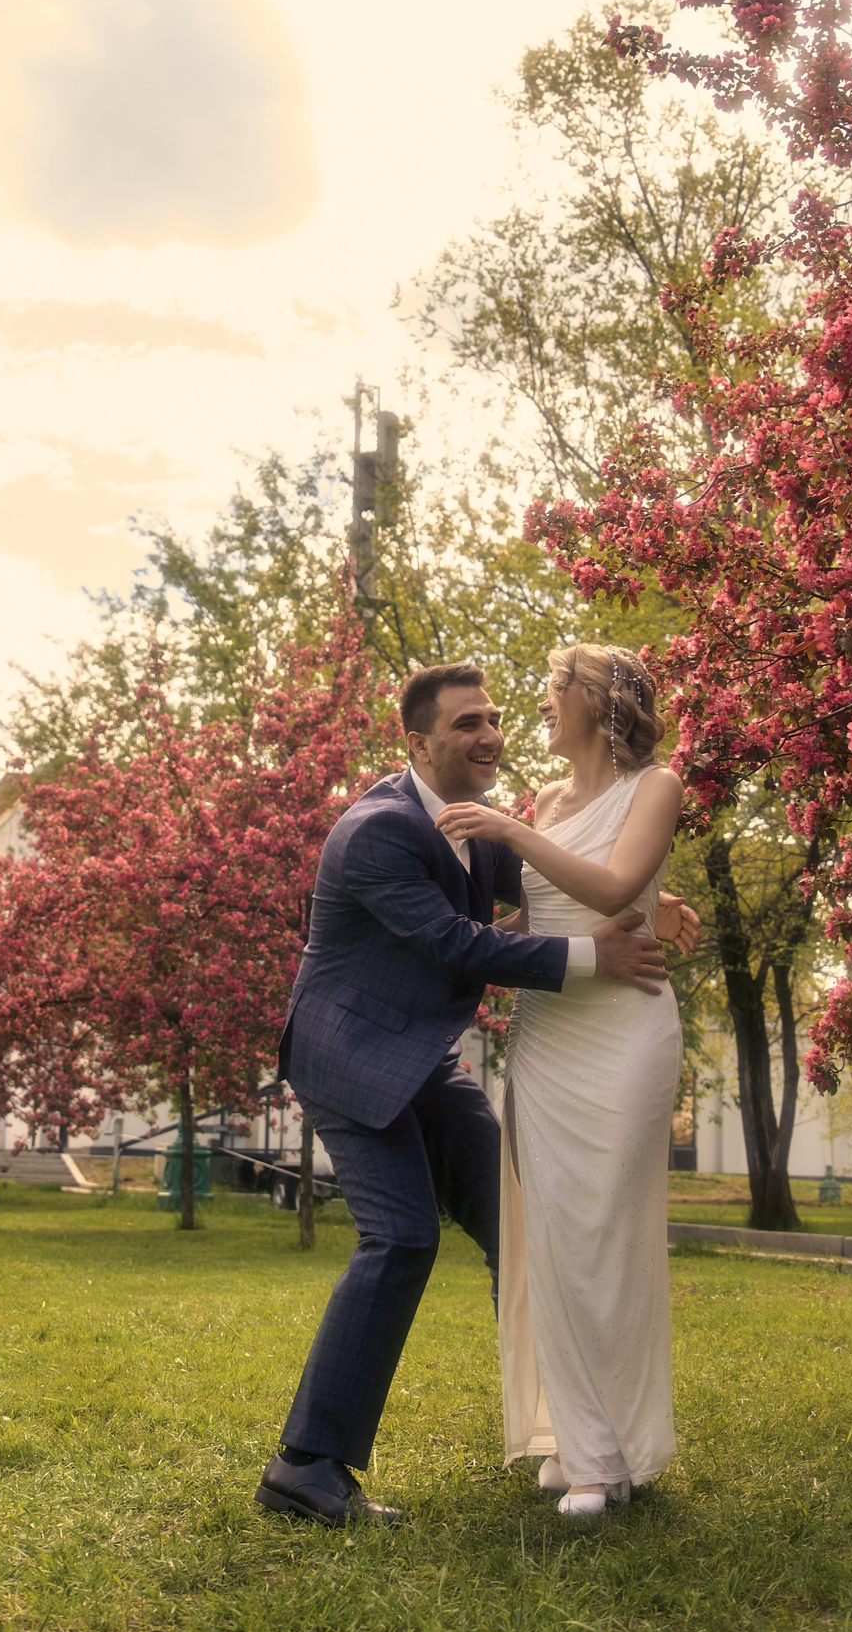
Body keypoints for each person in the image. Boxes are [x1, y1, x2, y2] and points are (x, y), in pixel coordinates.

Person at [255, 662, 671, 1528]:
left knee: (518, 1223)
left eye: (492, 717)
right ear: (418, 743)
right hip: (349, 1054)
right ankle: (307, 1464)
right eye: (466, 725)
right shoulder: (376, 831)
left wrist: (664, 899)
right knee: (402, 1238)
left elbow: (562, 885)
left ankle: (579, 1432)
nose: (489, 736)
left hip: (421, 1057)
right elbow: (457, 944)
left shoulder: (478, 828)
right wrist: (603, 958)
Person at [436, 644, 687, 1519]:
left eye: (550, 691)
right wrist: (432, 935)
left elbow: (618, 883)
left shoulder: (656, 785)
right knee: (550, 1239)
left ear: (594, 698)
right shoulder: (546, 801)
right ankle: (581, 1442)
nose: (538, 709)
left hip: (626, 1030)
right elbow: (537, 921)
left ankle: (614, 1455)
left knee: (604, 1235)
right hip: (549, 1038)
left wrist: (508, 830)